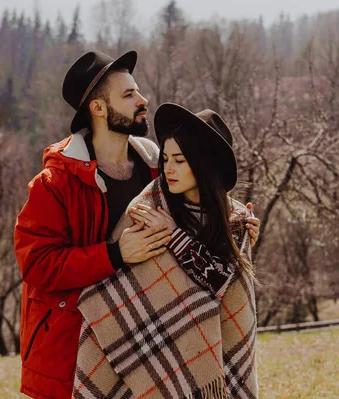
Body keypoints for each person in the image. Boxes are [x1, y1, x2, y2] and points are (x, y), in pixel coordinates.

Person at [14, 51, 260, 399]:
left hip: (151, 351)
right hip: (71, 355)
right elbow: (36, 265)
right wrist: (114, 254)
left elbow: (199, 223)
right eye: (128, 95)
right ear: (98, 109)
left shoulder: (158, 172)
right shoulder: (54, 184)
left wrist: (235, 229)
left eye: (138, 90)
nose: (143, 100)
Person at [73, 103, 259, 399]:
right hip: (141, 356)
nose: (168, 169)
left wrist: (175, 237)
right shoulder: (146, 209)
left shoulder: (234, 219)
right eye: (166, 159)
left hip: (212, 356)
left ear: (202, 164)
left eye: (180, 161)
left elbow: (224, 284)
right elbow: (120, 290)